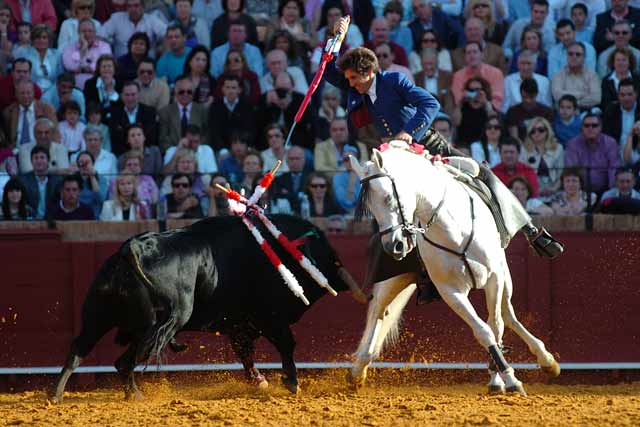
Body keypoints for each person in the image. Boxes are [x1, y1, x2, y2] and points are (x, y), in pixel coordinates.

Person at [332, 17, 563, 263]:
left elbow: (431, 103)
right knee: (388, 202)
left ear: (367, 72)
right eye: (348, 80)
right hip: (394, 157)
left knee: (483, 174)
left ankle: (529, 230)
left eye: (353, 79)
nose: (350, 84)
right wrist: (336, 39)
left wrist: (410, 132)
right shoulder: (356, 87)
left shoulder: (393, 81)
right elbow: (325, 71)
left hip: (427, 144)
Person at [565, 111, 620, 195]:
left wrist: (610, 193)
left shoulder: (610, 143)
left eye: (594, 125)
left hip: (605, 190)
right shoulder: (572, 144)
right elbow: (572, 171)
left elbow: (613, 169)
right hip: (580, 191)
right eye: (586, 126)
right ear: (582, 128)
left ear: (600, 127)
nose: (590, 128)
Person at [98, 0, 167, 58]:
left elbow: (168, 35)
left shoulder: (152, 20)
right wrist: (108, 50)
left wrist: (161, 52)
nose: (133, 9)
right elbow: (99, 37)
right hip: (121, 65)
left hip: (147, 66)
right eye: (129, 6)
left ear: (143, 7)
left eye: (136, 6)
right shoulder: (116, 18)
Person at [107, 80, 158, 155]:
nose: (130, 98)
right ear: (122, 96)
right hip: (123, 156)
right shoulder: (115, 113)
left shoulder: (150, 112)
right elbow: (115, 140)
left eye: (133, 94)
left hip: (145, 154)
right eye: (127, 95)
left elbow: (151, 138)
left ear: (139, 95)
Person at [4, 80, 58, 150]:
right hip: (16, 151)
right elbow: (6, 140)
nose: (26, 96)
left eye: (28, 93)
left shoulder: (47, 109)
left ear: (33, 93)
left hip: (41, 151)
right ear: (16, 94)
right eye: (22, 93)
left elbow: (55, 135)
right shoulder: (8, 112)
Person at [158, 77, 208, 152]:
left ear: (193, 93)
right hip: (173, 152)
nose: (185, 94)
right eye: (181, 92)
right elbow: (163, 139)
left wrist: (195, 147)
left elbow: (206, 135)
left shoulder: (202, 111)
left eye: (189, 92)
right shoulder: (165, 112)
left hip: (197, 151)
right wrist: (177, 150)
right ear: (175, 93)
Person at [451, 42, 504, 111]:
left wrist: (484, 102)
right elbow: (458, 100)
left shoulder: (496, 73)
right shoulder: (458, 76)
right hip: (465, 112)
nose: (472, 55)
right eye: (468, 53)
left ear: (482, 55)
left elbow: (497, 101)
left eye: (475, 52)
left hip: (490, 111)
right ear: (465, 57)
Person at [208, 74, 256, 150]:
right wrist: (222, 149)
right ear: (223, 89)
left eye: (233, 88)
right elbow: (214, 131)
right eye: (227, 87)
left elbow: (250, 129)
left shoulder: (247, 106)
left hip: (243, 146)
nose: (230, 91)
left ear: (239, 90)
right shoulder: (215, 106)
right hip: (221, 148)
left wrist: (244, 146)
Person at [520, 117, 565, 196]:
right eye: (533, 131)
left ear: (547, 131)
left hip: (554, 190)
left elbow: (561, 175)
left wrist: (553, 189)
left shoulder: (558, 148)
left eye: (541, 130)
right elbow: (523, 175)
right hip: (531, 191)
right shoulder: (524, 150)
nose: (537, 133)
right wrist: (534, 190)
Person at [61, 18, 111, 90]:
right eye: (84, 31)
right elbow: (70, 66)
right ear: (78, 32)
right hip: (76, 87)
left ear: (95, 32)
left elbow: (105, 65)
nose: (87, 34)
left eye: (90, 31)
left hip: (98, 85)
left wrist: (84, 68)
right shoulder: (69, 48)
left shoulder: (104, 46)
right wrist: (83, 50)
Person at [551, 42, 601, 110]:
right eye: (570, 54)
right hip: (563, 114)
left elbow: (596, 98)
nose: (574, 57)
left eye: (578, 54)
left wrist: (573, 104)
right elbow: (557, 95)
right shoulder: (558, 76)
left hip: (585, 113)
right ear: (567, 56)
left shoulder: (592, 76)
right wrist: (581, 94)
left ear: (584, 57)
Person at [13, 24, 61, 93]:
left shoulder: (56, 54)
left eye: (44, 37)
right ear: (33, 39)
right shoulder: (24, 53)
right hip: (31, 91)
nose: (41, 40)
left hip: (53, 92)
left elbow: (59, 76)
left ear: (49, 40)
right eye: (38, 37)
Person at [19, 145, 63, 219]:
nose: (39, 161)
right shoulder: (23, 181)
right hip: (29, 221)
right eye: (36, 158)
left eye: (42, 157)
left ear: (48, 160)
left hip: (52, 221)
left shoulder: (57, 181)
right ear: (31, 161)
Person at [413, 48, 454, 116]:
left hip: (443, 114)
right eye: (425, 64)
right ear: (421, 63)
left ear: (437, 62)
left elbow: (449, 102)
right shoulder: (415, 78)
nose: (428, 67)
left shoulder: (448, 77)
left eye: (431, 64)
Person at [602, 78, 640, 147]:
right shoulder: (611, 110)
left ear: (636, 94)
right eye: (622, 95)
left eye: (629, 94)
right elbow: (606, 136)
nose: (626, 98)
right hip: (615, 150)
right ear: (618, 96)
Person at [74, 150, 108, 217]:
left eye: (87, 162)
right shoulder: (73, 179)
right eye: (81, 162)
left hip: (93, 216)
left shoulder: (101, 179)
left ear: (93, 163)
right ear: (78, 164)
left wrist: (92, 177)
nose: (84, 165)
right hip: (76, 215)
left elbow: (101, 199)